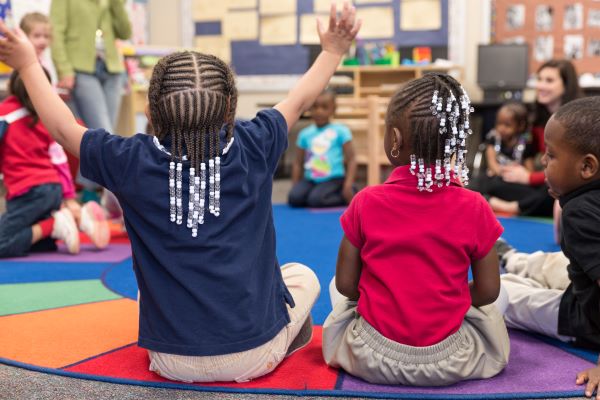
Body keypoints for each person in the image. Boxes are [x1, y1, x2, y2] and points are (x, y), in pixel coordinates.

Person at [0, 3, 360, 382]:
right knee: (302, 276)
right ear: (229, 112)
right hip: (255, 355)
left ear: (150, 112)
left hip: (169, 357)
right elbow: (299, 100)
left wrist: (26, 65)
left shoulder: (127, 159)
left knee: (152, 288)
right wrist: (333, 50)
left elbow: (60, 127)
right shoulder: (256, 143)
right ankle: (283, 338)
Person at [321, 73, 510, 386]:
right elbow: (489, 291)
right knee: (497, 306)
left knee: (332, 287)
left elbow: (345, 285)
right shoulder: (475, 206)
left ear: (394, 139)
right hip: (451, 360)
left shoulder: (366, 201)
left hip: (371, 356)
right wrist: (447, 302)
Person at [498, 97, 600, 399]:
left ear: (587, 166)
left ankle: (511, 273)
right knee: (552, 262)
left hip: (586, 319)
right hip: (585, 289)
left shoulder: (582, 213)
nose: (543, 162)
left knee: (502, 295)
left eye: (551, 156)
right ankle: (513, 258)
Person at [0, 70, 109, 258]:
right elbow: (60, 162)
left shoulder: (4, 113)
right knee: (39, 244)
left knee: (3, 243)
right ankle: (75, 218)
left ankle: (56, 222)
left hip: (28, 191)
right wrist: (68, 197)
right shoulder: (46, 119)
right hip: (51, 189)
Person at [50, 0, 132, 202]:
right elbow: (56, 33)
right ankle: (111, 197)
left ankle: (90, 193)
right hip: (81, 69)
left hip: (113, 69)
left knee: (104, 134)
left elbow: (125, 32)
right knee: (103, 133)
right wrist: (64, 69)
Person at [490, 59, 583, 217]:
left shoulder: (577, 121)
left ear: (566, 85)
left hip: (562, 183)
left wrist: (529, 177)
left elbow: (568, 172)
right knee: (495, 183)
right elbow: (531, 156)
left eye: (549, 80)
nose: (541, 85)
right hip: (542, 179)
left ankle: (514, 207)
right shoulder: (537, 118)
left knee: (553, 193)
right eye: (539, 79)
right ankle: (522, 205)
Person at [288, 90, 356, 207]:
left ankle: (346, 194)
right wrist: (295, 186)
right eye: (315, 107)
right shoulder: (304, 134)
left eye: (324, 107)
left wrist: (348, 184)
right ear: (309, 109)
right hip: (311, 179)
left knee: (316, 201)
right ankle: (313, 195)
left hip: (334, 179)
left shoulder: (341, 131)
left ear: (333, 109)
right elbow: (298, 163)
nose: (319, 111)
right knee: (294, 198)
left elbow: (351, 159)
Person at [475, 102, 537, 201]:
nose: (501, 128)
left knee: (533, 194)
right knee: (482, 184)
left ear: (520, 126)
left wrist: (518, 174)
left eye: (507, 125)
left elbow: (530, 171)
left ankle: (493, 200)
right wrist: (503, 173)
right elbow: (492, 163)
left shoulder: (525, 143)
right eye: (499, 123)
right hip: (496, 177)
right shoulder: (494, 138)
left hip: (515, 181)